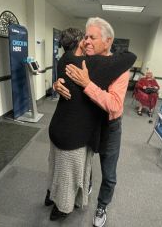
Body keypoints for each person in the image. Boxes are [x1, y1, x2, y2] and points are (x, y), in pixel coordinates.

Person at [46, 27, 136, 221]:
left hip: (110, 124)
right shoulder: (89, 62)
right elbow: (130, 55)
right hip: (87, 123)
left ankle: (102, 206)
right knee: (86, 158)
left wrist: (87, 83)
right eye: (85, 37)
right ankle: (83, 187)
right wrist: (56, 84)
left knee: (108, 171)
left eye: (91, 38)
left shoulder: (105, 66)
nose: (87, 41)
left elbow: (114, 105)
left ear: (107, 42)